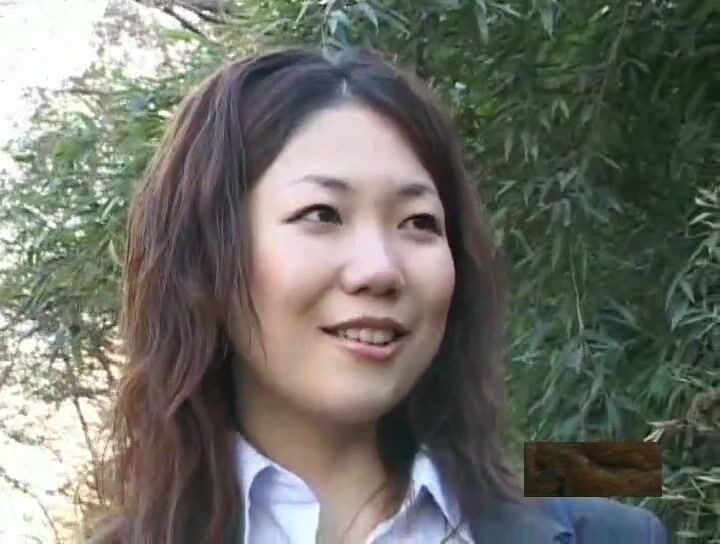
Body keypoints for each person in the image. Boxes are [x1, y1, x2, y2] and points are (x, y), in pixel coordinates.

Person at [92, 47, 668, 543]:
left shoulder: (603, 531)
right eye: (322, 214)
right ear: (205, 260)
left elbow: (648, 464)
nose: (381, 269)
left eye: (418, 222)